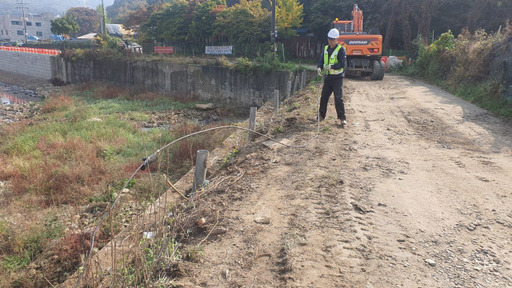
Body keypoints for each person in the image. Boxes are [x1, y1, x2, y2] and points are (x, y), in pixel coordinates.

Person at [317, 28, 347, 127]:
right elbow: (322, 60)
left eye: (333, 39)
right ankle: (321, 115)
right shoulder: (326, 48)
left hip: (337, 78)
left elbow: (342, 64)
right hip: (328, 77)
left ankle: (342, 118)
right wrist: (319, 67)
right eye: (329, 39)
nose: (330, 41)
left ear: (337, 39)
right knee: (324, 97)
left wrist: (332, 66)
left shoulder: (341, 50)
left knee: (338, 98)